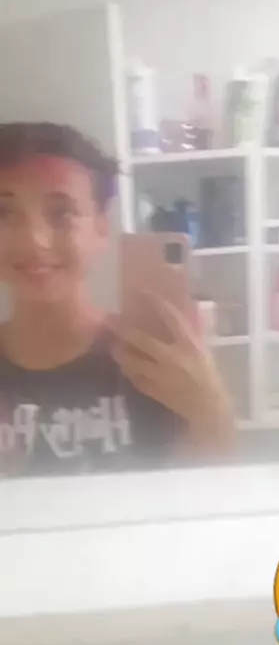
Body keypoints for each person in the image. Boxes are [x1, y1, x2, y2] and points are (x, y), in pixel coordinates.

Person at [0, 122, 234, 477]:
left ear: (100, 229)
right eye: (3, 213)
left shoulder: (152, 356)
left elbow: (206, 494)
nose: (35, 240)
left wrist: (212, 411)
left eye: (62, 213)